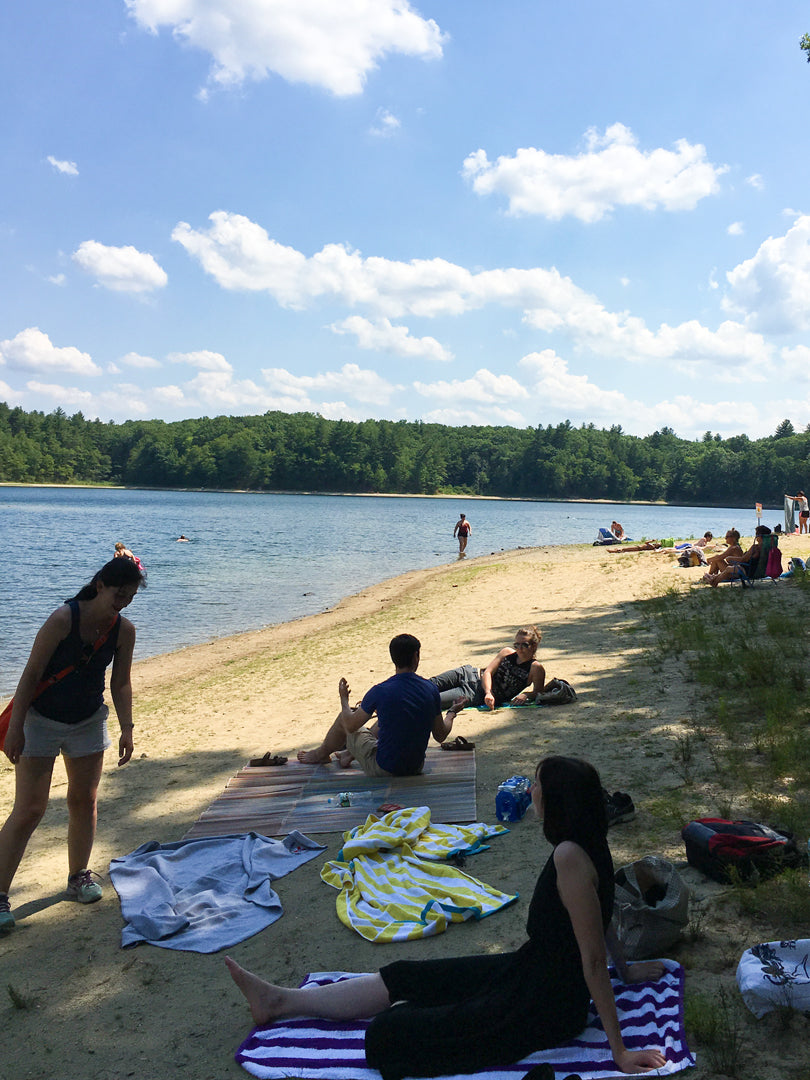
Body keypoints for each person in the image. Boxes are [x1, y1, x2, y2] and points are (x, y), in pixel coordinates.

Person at [225, 756, 667, 1078]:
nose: (531, 790)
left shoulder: (571, 855)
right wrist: (626, 972)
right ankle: (281, 1001)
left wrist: (619, 1051)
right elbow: (600, 915)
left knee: (389, 1034)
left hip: (544, 1004)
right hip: (529, 971)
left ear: (557, 800)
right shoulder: (590, 839)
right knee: (404, 975)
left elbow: (591, 959)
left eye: (536, 784)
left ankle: (309, 1007)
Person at [0, 558, 144, 933]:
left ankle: (78, 876)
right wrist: (15, 729)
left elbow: (121, 683)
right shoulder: (63, 619)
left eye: (129, 597)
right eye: (118, 594)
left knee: (85, 800)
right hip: (40, 721)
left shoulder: (124, 630)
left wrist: (127, 728)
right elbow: (31, 674)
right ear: (99, 585)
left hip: (87, 722)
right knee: (30, 809)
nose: (123, 603)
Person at [296, 634, 453, 776]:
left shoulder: (380, 690)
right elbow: (440, 735)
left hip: (384, 768)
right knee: (395, 715)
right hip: (415, 767)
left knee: (344, 717)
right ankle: (346, 755)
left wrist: (344, 700)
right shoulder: (430, 689)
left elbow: (350, 726)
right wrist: (451, 713)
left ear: (394, 659)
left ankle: (320, 755)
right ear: (416, 657)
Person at [430, 625, 548, 715]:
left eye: (524, 645)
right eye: (517, 645)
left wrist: (526, 695)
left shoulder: (536, 668)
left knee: (433, 700)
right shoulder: (506, 652)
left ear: (534, 646)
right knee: (427, 685)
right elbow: (488, 672)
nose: (519, 649)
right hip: (469, 673)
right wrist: (489, 692)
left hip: (473, 693)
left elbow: (538, 692)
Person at [703, 526, 770, 587]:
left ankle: (713, 581)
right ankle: (713, 578)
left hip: (748, 570)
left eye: (756, 535)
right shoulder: (767, 548)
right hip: (756, 571)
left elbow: (743, 559)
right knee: (727, 567)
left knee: (728, 568)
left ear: (759, 536)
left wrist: (730, 558)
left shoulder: (755, 548)